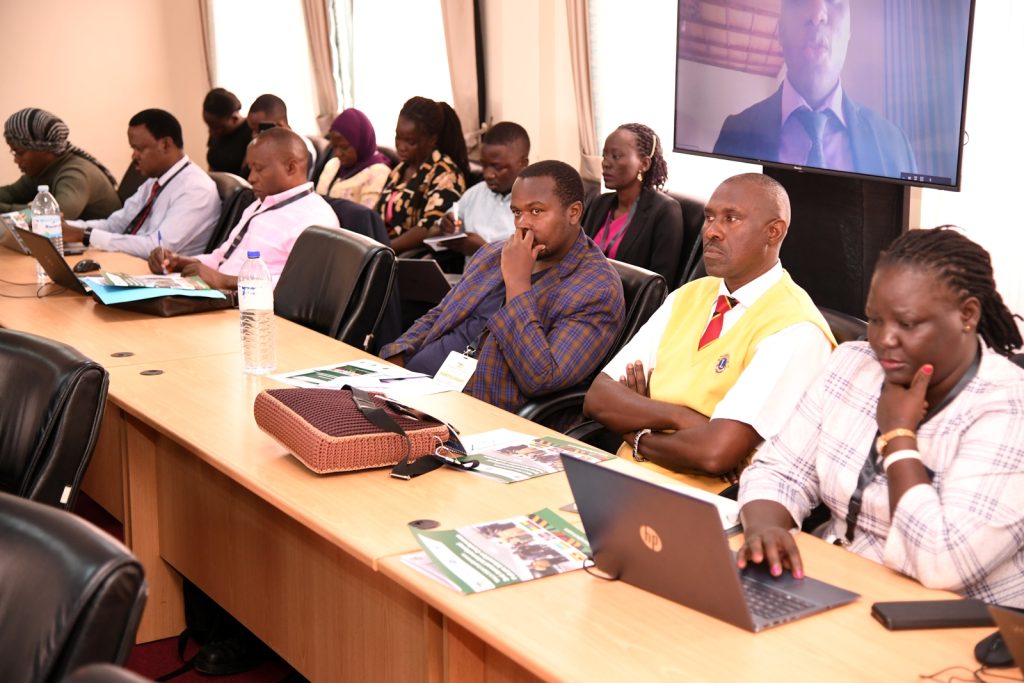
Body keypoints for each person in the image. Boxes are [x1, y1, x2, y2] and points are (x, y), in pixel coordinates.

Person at [737, 227, 1024, 606]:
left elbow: (943, 564)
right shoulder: (851, 365)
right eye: (875, 319)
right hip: (840, 586)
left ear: (967, 315)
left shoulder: (1008, 407)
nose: (884, 339)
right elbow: (779, 471)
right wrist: (765, 529)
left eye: (906, 324)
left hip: (956, 625)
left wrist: (899, 438)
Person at [583, 173, 834, 484]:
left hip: (707, 505)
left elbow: (714, 454)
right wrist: (684, 418)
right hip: (623, 475)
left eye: (731, 219)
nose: (712, 231)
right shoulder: (688, 295)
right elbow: (598, 398)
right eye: (709, 217)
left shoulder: (795, 328)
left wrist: (635, 431)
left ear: (773, 232)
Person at [380, 160, 624, 414]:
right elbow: (440, 315)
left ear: (573, 212)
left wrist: (517, 284)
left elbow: (542, 377)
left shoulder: (597, 290)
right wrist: (394, 360)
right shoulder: (495, 253)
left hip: (475, 410)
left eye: (536, 211)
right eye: (517, 212)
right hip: (411, 389)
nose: (522, 224)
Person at [713, 0, 916, 178]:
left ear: (848, 32)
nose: (817, 14)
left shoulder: (896, 145)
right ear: (780, 31)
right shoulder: (734, 132)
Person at [147, 127, 338, 290]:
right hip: (225, 300)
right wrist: (180, 262)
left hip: (259, 316)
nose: (251, 178)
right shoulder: (260, 204)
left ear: (291, 167)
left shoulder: (315, 219)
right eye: (251, 169)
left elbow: (301, 289)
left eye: (259, 169)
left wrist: (224, 281)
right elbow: (222, 258)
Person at [62, 109, 220, 258]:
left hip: (168, 279)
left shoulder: (195, 188)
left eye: (139, 148)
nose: (133, 156)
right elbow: (116, 225)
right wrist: (61, 226)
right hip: (134, 266)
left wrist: (85, 235)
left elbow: (158, 248)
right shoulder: (154, 182)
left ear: (165, 144)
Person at [582, 123, 684, 284]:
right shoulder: (598, 203)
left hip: (627, 305)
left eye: (616, 156)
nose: (605, 163)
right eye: (604, 156)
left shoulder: (665, 211)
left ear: (644, 164)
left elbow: (659, 284)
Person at [376, 96, 468, 254]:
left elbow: (431, 227)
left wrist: (384, 249)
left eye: (410, 142)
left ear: (431, 140)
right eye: (398, 137)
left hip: (409, 257)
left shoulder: (446, 174)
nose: (401, 147)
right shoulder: (399, 170)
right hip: (383, 250)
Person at [1, 108, 120, 220]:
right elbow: (12, 193)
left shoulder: (74, 174)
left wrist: (5, 210)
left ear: (43, 149)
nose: (15, 160)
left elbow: (55, 215)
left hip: (100, 241)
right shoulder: (43, 169)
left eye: (19, 153)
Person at [436, 121, 530, 259]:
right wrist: (445, 225)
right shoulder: (474, 194)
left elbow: (535, 263)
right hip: (468, 280)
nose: (487, 174)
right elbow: (433, 231)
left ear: (522, 163)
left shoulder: (536, 203)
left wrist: (484, 250)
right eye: (484, 165)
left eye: (497, 167)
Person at [314, 108, 391, 209]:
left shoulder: (378, 172)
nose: (337, 153)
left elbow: (366, 216)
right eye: (334, 146)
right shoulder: (333, 164)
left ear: (361, 143)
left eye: (344, 147)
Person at [245, 94, 317, 176]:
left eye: (259, 130)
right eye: (252, 130)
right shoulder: (264, 146)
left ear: (279, 125)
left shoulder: (301, 149)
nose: (254, 136)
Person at [203, 87, 252, 177]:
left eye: (217, 127)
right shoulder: (217, 132)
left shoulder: (251, 132)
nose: (211, 132)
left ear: (234, 118)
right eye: (209, 126)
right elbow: (212, 166)